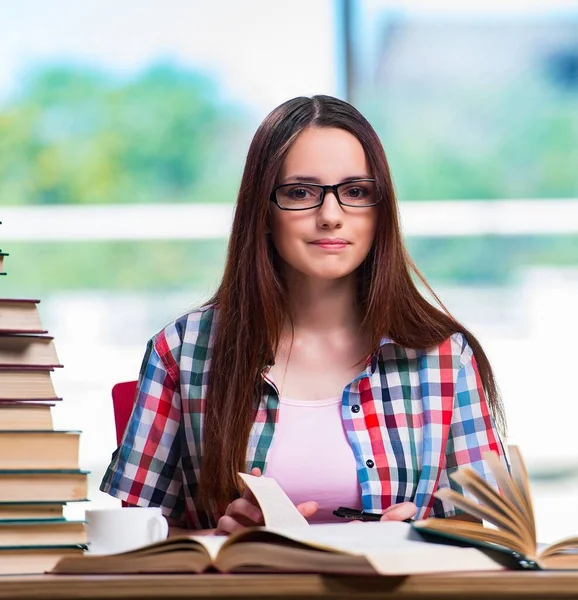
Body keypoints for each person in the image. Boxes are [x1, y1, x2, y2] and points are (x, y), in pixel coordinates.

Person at [101, 95, 507, 535]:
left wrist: (413, 537)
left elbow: (484, 536)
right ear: (263, 210)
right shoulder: (182, 351)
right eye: (300, 193)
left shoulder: (445, 356)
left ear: (381, 209)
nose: (331, 216)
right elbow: (135, 540)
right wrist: (219, 539)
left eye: (356, 192)